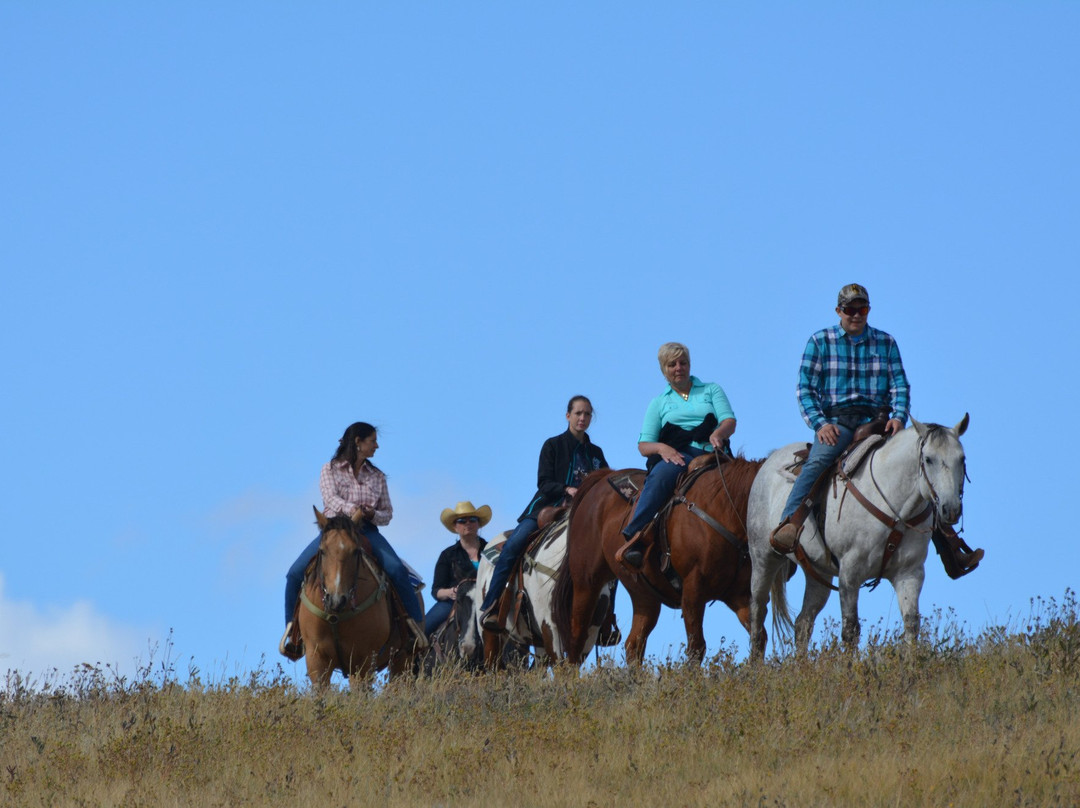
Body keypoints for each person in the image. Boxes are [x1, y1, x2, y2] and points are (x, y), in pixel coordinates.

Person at [769, 283, 984, 575]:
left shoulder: (886, 342)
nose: (856, 315)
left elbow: (900, 385)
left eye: (862, 309)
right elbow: (805, 389)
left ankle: (951, 547)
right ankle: (789, 524)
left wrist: (898, 417)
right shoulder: (820, 342)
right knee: (818, 461)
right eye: (850, 309)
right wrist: (821, 424)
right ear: (839, 311)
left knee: (921, 466)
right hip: (837, 422)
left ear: (868, 310)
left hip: (879, 422)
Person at [279, 422, 427, 659]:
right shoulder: (330, 469)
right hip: (333, 530)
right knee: (294, 573)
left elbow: (387, 514)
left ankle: (414, 630)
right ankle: (292, 632)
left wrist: (371, 514)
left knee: (397, 570)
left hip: (366, 531)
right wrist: (354, 510)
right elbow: (330, 499)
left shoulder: (378, 476)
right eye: (372, 441)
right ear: (358, 442)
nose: (376, 446)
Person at [479, 395, 608, 629]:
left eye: (587, 414)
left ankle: (607, 619)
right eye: (578, 413)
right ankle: (493, 605)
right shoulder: (553, 445)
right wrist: (567, 489)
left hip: (584, 515)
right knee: (514, 545)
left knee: (610, 554)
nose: (582, 417)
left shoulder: (596, 453)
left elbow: (604, 484)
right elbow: (544, 482)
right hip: (547, 508)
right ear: (568, 416)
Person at [619, 342, 737, 568]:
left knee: (744, 482)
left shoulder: (711, 389)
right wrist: (662, 449)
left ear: (690, 365)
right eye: (672, 364)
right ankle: (636, 535)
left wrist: (718, 434)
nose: (678, 368)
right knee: (661, 477)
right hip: (678, 455)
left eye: (683, 363)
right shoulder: (658, 402)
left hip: (712, 452)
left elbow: (729, 420)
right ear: (664, 370)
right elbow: (644, 445)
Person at [425, 501, 490, 639]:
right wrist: (450, 592)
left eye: (473, 519)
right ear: (455, 526)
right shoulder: (447, 555)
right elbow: (436, 590)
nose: (468, 523)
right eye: (462, 521)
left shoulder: (491, 551)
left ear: (478, 524)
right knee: (424, 629)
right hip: (454, 602)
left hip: (487, 602)